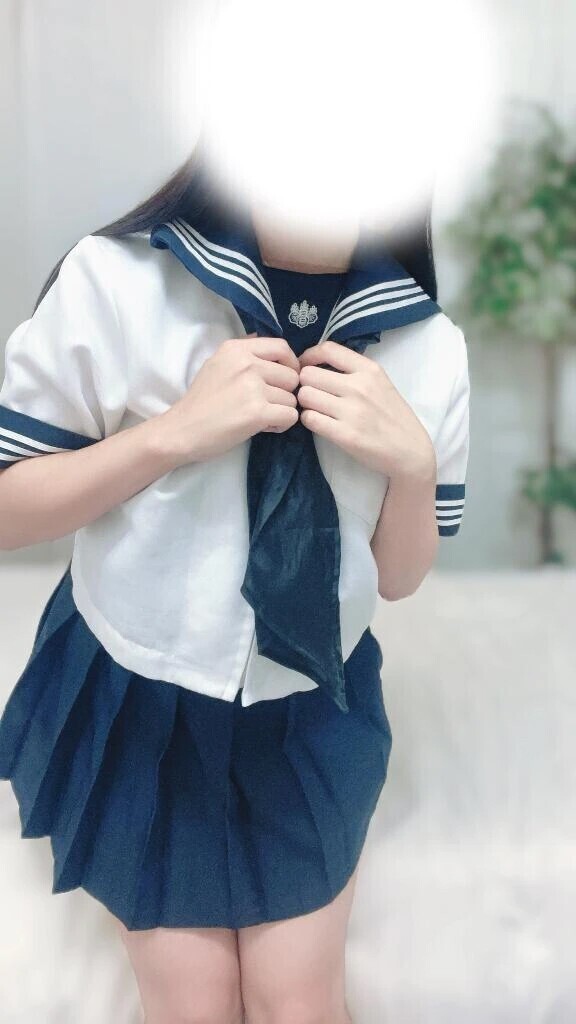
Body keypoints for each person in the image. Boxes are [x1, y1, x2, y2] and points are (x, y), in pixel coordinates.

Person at [0, 142, 469, 1023]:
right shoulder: (116, 281)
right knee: (194, 1005)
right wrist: (170, 436)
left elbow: (401, 578)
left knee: (301, 1003)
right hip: (136, 700)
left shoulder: (429, 344)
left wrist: (412, 466)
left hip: (310, 710)